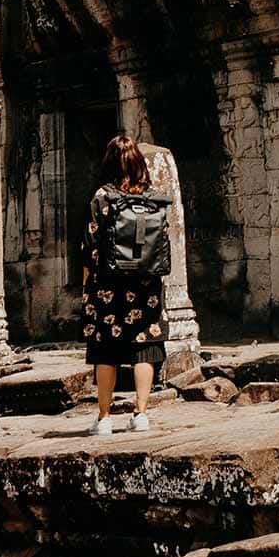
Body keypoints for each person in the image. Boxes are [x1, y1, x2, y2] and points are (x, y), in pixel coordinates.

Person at [81, 133, 169, 436]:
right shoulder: (155, 198)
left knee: (105, 350)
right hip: (145, 285)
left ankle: (104, 418)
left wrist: (86, 290)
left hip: (108, 285)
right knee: (144, 345)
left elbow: (89, 247)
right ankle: (141, 414)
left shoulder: (102, 197)